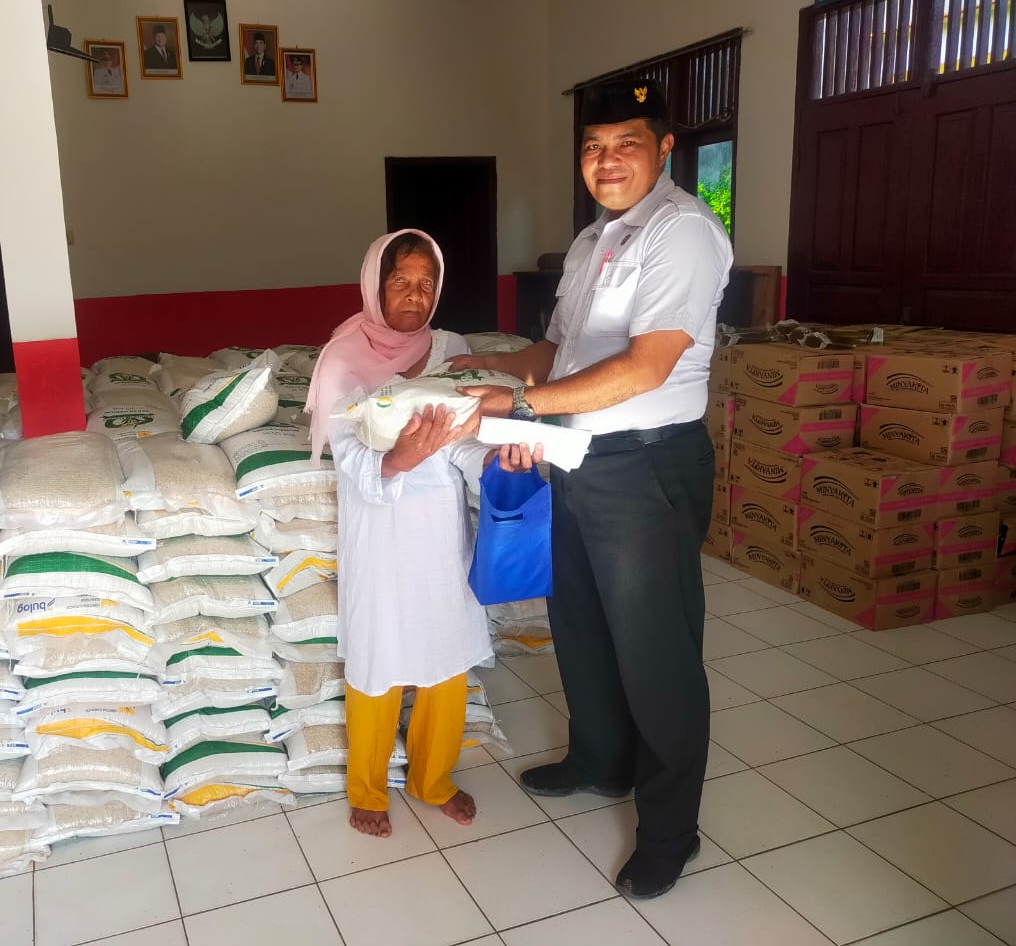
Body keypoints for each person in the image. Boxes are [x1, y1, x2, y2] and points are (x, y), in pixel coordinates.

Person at [450, 77, 732, 899]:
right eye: (593, 147)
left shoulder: (682, 233)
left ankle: (671, 830)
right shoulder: (590, 242)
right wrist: (491, 366)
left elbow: (647, 365)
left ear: (665, 149)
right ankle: (600, 759)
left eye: (626, 144)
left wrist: (518, 406)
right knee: (580, 624)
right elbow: (559, 349)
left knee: (655, 651)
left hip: (646, 465)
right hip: (578, 458)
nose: (606, 161)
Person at [305, 229, 538, 838]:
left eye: (426, 283)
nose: (415, 294)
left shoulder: (448, 348)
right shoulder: (343, 359)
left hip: (439, 530)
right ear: (375, 286)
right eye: (400, 281)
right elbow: (347, 456)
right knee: (377, 661)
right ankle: (367, 789)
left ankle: (432, 779)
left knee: (446, 658)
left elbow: (460, 441)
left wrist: (496, 463)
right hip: (380, 531)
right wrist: (397, 460)